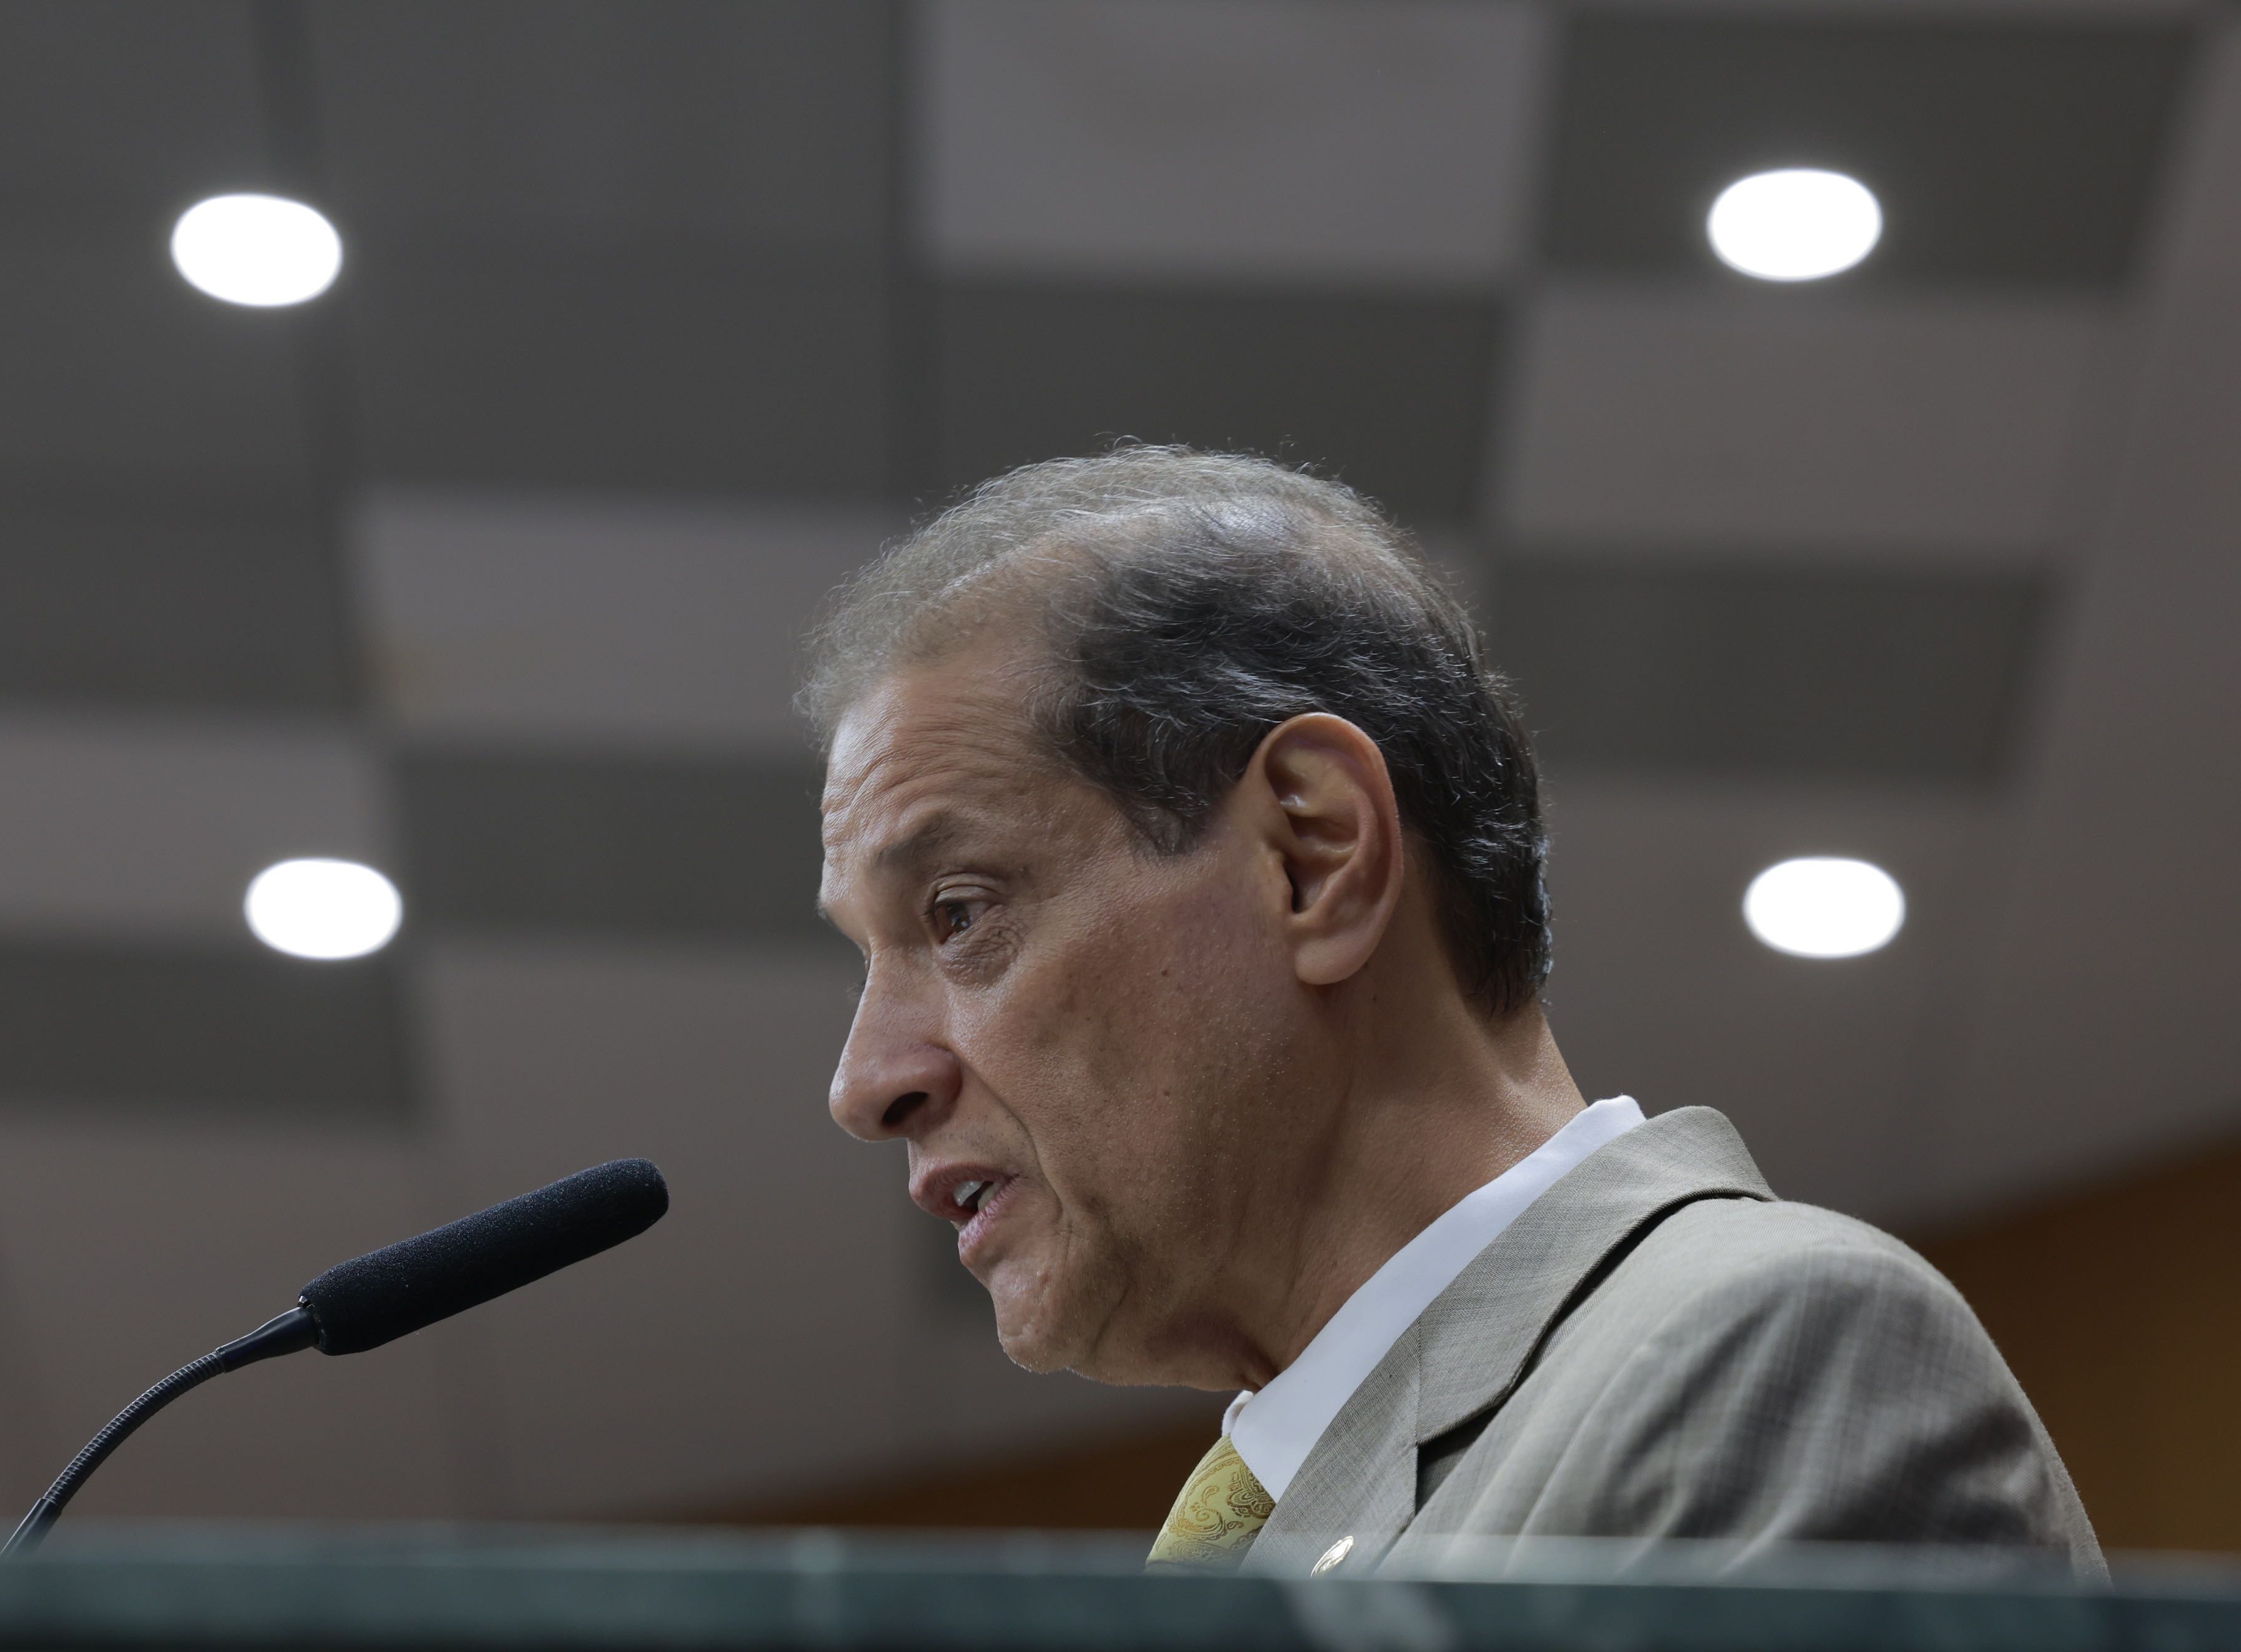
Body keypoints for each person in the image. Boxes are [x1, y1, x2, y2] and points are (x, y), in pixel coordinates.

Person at [803, 447, 2099, 1579]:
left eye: (959, 913)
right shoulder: (1291, 1510)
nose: (865, 1082)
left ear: (1311, 854)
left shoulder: (1763, 1355)